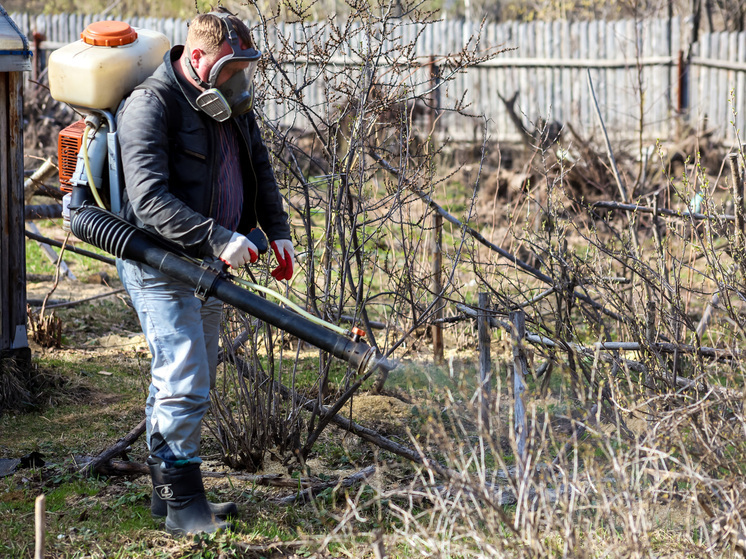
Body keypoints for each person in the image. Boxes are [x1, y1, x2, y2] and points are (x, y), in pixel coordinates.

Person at [115, 8, 295, 536]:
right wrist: (220, 236)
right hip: (161, 260)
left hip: (210, 262)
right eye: (231, 67)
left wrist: (275, 228)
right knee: (184, 374)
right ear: (198, 58)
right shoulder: (151, 105)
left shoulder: (230, 102)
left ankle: (165, 496)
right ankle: (184, 510)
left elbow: (257, 164)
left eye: (245, 67)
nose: (241, 79)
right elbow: (148, 201)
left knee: (194, 374)